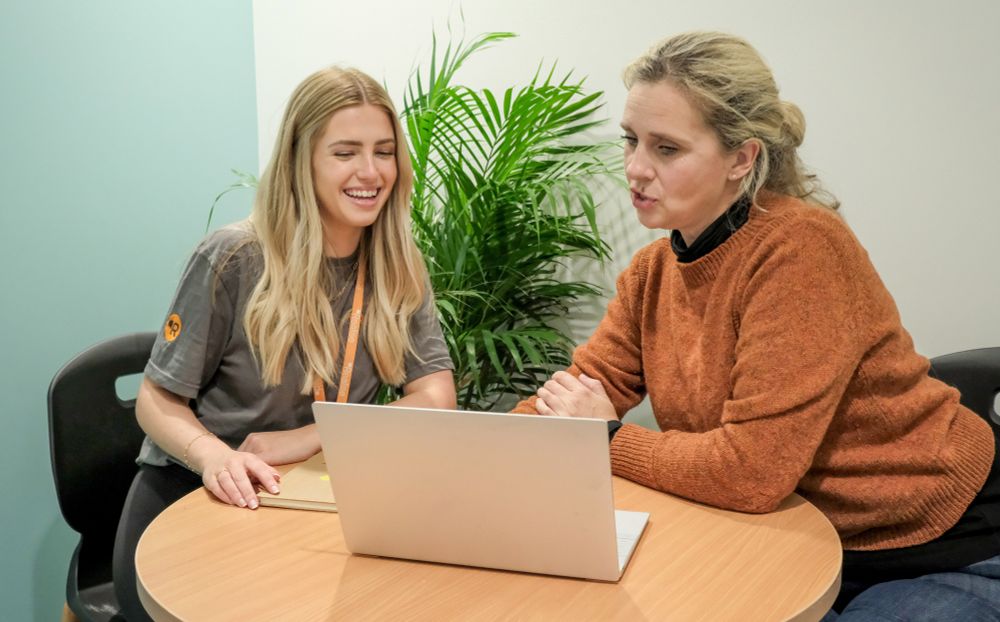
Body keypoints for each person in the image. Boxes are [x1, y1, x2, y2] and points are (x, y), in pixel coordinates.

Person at [513, 32, 1000, 619]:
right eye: (631, 141)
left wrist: (605, 436)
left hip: (936, 539)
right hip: (790, 538)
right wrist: (491, 453)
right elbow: (573, 396)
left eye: (666, 148)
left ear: (741, 159)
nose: (636, 169)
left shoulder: (800, 251)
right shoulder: (652, 272)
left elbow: (749, 473)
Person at [112, 66, 456, 621]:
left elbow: (437, 397)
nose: (370, 172)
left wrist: (307, 437)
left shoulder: (395, 263)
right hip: (199, 498)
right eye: (345, 152)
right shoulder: (231, 260)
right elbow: (157, 400)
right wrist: (212, 458)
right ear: (303, 161)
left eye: (384, 151)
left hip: (310, 501)